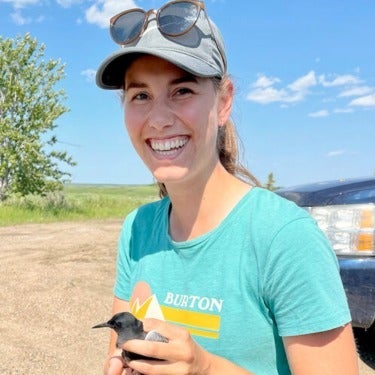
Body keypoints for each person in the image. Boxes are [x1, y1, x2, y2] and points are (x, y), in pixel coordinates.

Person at [95, 1, 359, 374]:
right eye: (140, 96)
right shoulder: (137, 228)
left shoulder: (284, 238)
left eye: (182, 90)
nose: (157, 119)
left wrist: (204, 368)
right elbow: (118, 354)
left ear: (224, 102)